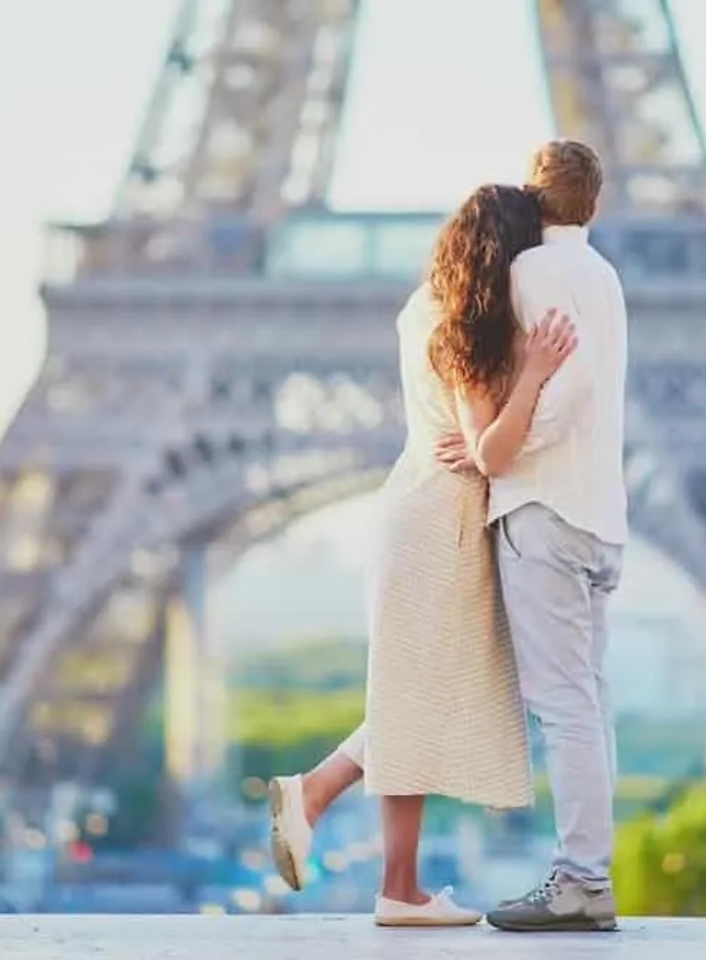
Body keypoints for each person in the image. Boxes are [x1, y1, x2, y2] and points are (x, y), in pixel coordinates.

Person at [266, 183, 577, 927]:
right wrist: (534, 372)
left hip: (417, 504)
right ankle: (384, 874)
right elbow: (488, 450)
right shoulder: (469, 332)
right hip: (443, 519)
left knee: (417, 696)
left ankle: (358, 842)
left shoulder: (424, 309)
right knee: (416, 698)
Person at [437, 139, 628, 933]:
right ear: (593, 202)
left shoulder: (528, 273)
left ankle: (581, 879)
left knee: (564, 707)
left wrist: (506, 440)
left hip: (545, 511)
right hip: (601, 516)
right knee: (589, 702)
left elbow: (564, 387)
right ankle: (589, 873)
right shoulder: (603, 275)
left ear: (533, 193)